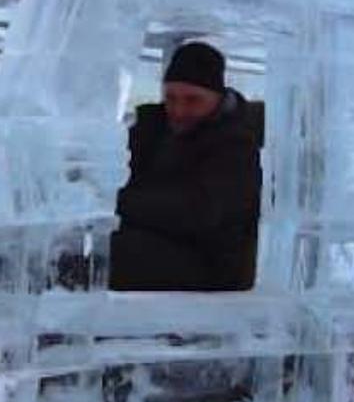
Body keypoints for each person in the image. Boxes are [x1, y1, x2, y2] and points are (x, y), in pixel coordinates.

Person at [110, 41, 261, 292]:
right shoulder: (151, 126)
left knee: (99, 259)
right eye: (171, 98)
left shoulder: (237, 143)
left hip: (210, 266)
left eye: (193, 100)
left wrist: (116, 200)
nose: (179, 110)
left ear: (218, 97)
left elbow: (198, 212)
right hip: (152, 241)